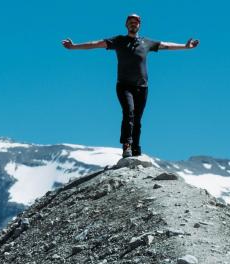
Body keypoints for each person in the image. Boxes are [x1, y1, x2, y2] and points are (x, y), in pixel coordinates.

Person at [62, 13, 199, 158]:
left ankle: (135, 148)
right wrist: (74, 46)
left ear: (139, 25)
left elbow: (166, 45)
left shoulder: (146, 42)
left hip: (142, 87)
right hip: (124, 86)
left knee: (138, 119)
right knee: (129, 113)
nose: (134, 24)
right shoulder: (119, 40)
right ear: (126, 25)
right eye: (131, 22)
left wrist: (185, 46)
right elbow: (95, 44)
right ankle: (126, 145)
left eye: (136, 22)